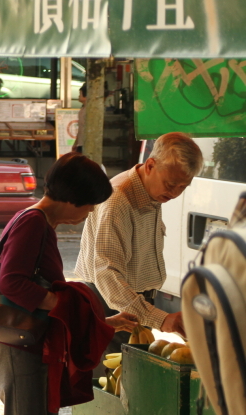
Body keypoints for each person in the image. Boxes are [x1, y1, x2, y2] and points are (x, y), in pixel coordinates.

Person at [0, 153, 137, 415]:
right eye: (90, 203)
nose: (91, 210)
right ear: (72, 198)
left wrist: (102, 322)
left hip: (31, 342)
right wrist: (65, 303)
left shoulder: (39, 221)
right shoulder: (33, 222)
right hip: (22, 346)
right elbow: (11, 282)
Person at [74, 132, 203, 351]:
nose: (174, 193)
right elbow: (106, 272)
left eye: (183, 187)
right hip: (110, 305)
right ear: (150, 165)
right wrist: (160, 319)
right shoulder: (119, 199)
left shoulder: (151, 191)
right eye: (170, 184)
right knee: (113, 380)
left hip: (133, 304)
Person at [72, 84, 87, 153]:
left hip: (86, 144)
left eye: (80, 94)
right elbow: (80, 129)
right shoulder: (82, 109)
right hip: (81, 143)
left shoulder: (89, 110)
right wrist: (76, 143)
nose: (78, 96)